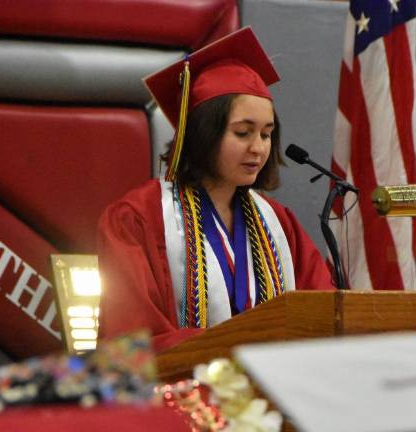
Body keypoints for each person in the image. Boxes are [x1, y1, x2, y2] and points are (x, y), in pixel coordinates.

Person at [96, 27, 335, 352]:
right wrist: (239, 343)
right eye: (242, 133)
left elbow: (317, 311)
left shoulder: (279, 222)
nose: (258, 149)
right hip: (183, 394)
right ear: (203, 134)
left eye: (266, 134)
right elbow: (130, 341)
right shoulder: (138, 219)